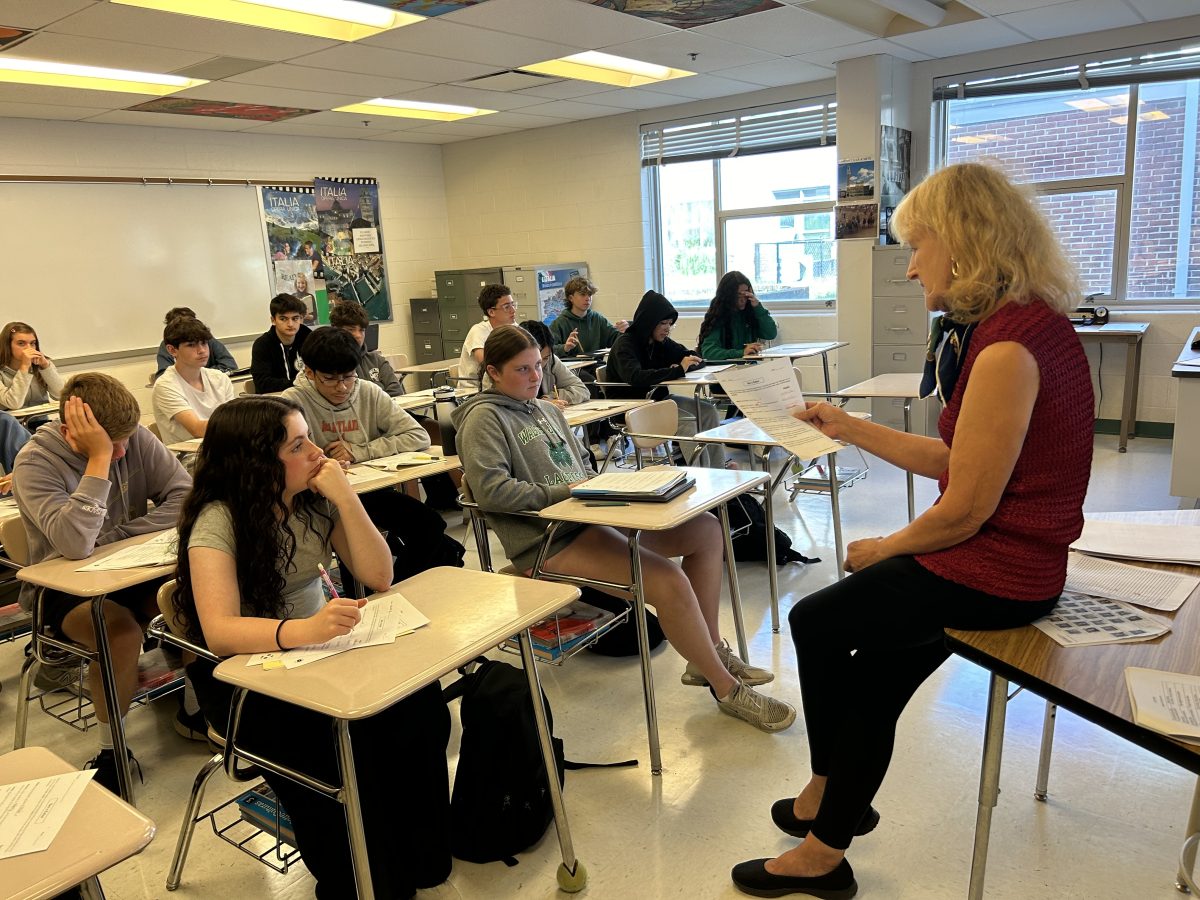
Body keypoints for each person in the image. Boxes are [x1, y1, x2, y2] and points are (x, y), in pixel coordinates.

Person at [731, 162, 1095, 898]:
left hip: (1001, 569)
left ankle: (827, 805)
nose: (910, 269)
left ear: (961, 245)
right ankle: (829, 828)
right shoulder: (1023, 328)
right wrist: (847, 425)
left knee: (816, 619)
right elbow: (960, 461)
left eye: (916, 247)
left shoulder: (1005, 350)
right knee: (874, 681)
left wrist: (884, 550)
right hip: (1015, 560)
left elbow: (966, 508)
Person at [173, 395, 451, 899]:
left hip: (318, 650)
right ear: (259, 462)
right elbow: (219, 631)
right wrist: (305, 630)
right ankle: (362, 876)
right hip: (248, 676)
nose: (317, 453)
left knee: (418, 703)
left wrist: (346, 497)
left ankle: (418, 855)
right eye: (299, 445)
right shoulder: (218, 520)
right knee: (348, 740)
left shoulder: (311, 499)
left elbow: (378, 574)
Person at [453, 325, 794, 733]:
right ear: (492, 372)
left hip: (588, 517)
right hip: (548, 541)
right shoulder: (482, 419)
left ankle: (709, 655)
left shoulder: (544, 409)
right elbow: (491, 491)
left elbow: (580, 470)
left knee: (705, 530)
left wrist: (616, 490)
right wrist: (568, 491)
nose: (535, 377)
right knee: (668, 582)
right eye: (522, 370)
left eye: (539, 367)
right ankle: (725, 689)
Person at [12, 373, 191, 791]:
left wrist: (116, 537)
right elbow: (75, 544)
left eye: (126, 441)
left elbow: (185, 496)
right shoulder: (34, 462)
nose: (123, 451)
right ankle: (112, 750)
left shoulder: (135, 439)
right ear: (68, 430)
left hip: (130, 566)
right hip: (60, 589)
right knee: (119, 632)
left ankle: (196, 709)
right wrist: (98, 459)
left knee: (191, 599)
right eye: (111, 444)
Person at [283, 328, 459, 589]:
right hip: (318, 501)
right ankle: (368, 594)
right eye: (330, 379)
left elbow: (418, 436)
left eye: (349, 377)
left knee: (430, 525)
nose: (342, 387)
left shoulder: (367, 392)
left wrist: (359, 451)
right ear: (310, 373)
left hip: (368, 492)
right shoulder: (292, 403)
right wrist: (324, 465)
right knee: (354, 546)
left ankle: (390, 590)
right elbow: (284, 460)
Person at [606, 291, 723, 468]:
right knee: (687, 422)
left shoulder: (661, 342)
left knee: (708, 412)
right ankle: (705, 477)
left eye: (670, 324)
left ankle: (719, 473)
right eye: (662, 323)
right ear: (648, 322)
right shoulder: (625, 344)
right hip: (631, 406)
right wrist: (676, 371)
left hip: (657, 400)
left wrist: (683, 366)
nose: (667, 328)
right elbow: (636, 377)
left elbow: (694, 357)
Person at [152, 316, 236, 447]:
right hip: (187, 457)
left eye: (204, 343)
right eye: (191, 345)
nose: (202, 350)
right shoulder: (165, 385)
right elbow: (197, 429)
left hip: (222, 448)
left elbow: (233, 420)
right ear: (172, 350)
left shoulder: (219, 378)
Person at [488, 320, 589, 407]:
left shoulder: (551, 360)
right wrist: (541, 404)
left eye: (539, 363)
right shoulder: (496, 373)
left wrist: (550, 397)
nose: (536, 376)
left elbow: (581, 390)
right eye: (523, 368)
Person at [697, 271, 778, 360]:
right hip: (726, 368)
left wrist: (758, 307)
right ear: (728, 296)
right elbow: (708, 352)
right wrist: (741, 352)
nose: (743, 300)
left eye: (745, 294)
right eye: (738, 295)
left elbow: (771, 334)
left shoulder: (750, 312)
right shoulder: (718, 316)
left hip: (748, 367)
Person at [329, 302, 404, 397]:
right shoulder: (329, 364)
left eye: (362, 330)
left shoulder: (376, 360)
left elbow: (396, 392)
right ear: (335, 330)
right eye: (350, 330)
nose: (358, 335)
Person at [548, 276, 628, 357]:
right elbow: (548, 351)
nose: (587, 298)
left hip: (597, 366)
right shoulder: (559, 323)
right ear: (571, 298)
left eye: (590, 294)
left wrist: (625, 331)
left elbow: (616, 339)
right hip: (573, 369)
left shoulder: (597, 318)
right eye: (582, 294)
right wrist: (564, 348)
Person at [152, 307, 238, 382]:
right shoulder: (169, 345)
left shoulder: (207, 339)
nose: (201, 350)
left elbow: (230, 366)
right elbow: (163, 376)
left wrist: (203, 374)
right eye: (191, 345)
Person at [250, 294, 312, 394]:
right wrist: (298, 383)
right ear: (273, 320)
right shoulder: (262, 344)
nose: (290, 324)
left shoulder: (310, 338)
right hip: (275, 401)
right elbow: (262, 383)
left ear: (301, 319)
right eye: (283, 319)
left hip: (306, 395)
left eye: (295, 318)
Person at [458, 284, 518, 385]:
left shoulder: (515, 328)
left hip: (501, 386)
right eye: (507, 307)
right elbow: (486, 362)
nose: (513, 310)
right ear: (491, 312)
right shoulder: (478, 331)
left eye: (513, 304)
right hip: (473, 391)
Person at [0, 322, 64, 411]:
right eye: (21, 343)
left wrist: (45, 367)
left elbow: (62, 395)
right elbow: (13, 403)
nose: (29, 348)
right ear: (7, 346)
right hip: (11, 423)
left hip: (40, 420)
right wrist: (24, 368)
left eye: (33, 343)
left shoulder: (41, 364)